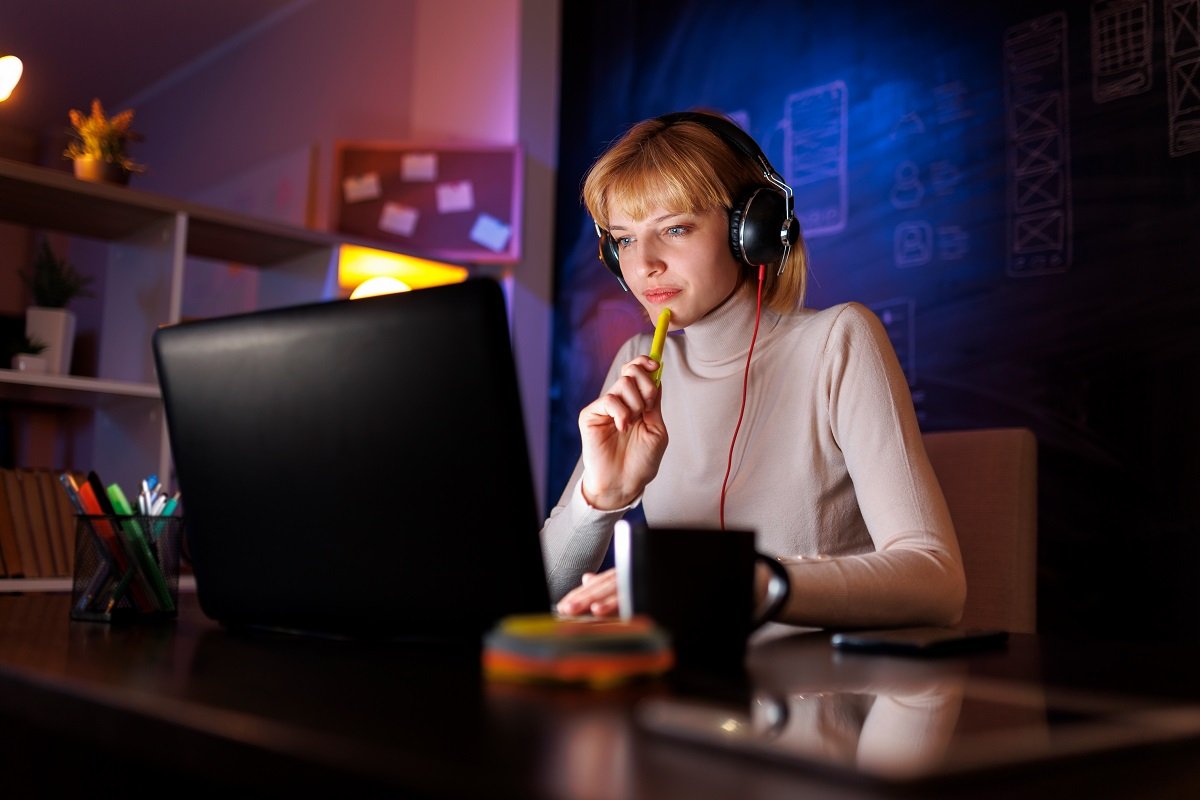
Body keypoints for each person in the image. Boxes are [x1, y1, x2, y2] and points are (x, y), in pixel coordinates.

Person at [541, 111, 965, 629]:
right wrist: (600, 500)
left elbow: (937, 581)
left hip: (825, 697)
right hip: (692, 695)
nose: (644, 262)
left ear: (753, 230)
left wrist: (748, 579)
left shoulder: (837, 341)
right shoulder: (639, 363)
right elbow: (531, 598)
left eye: (675, 228)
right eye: (625, 239)